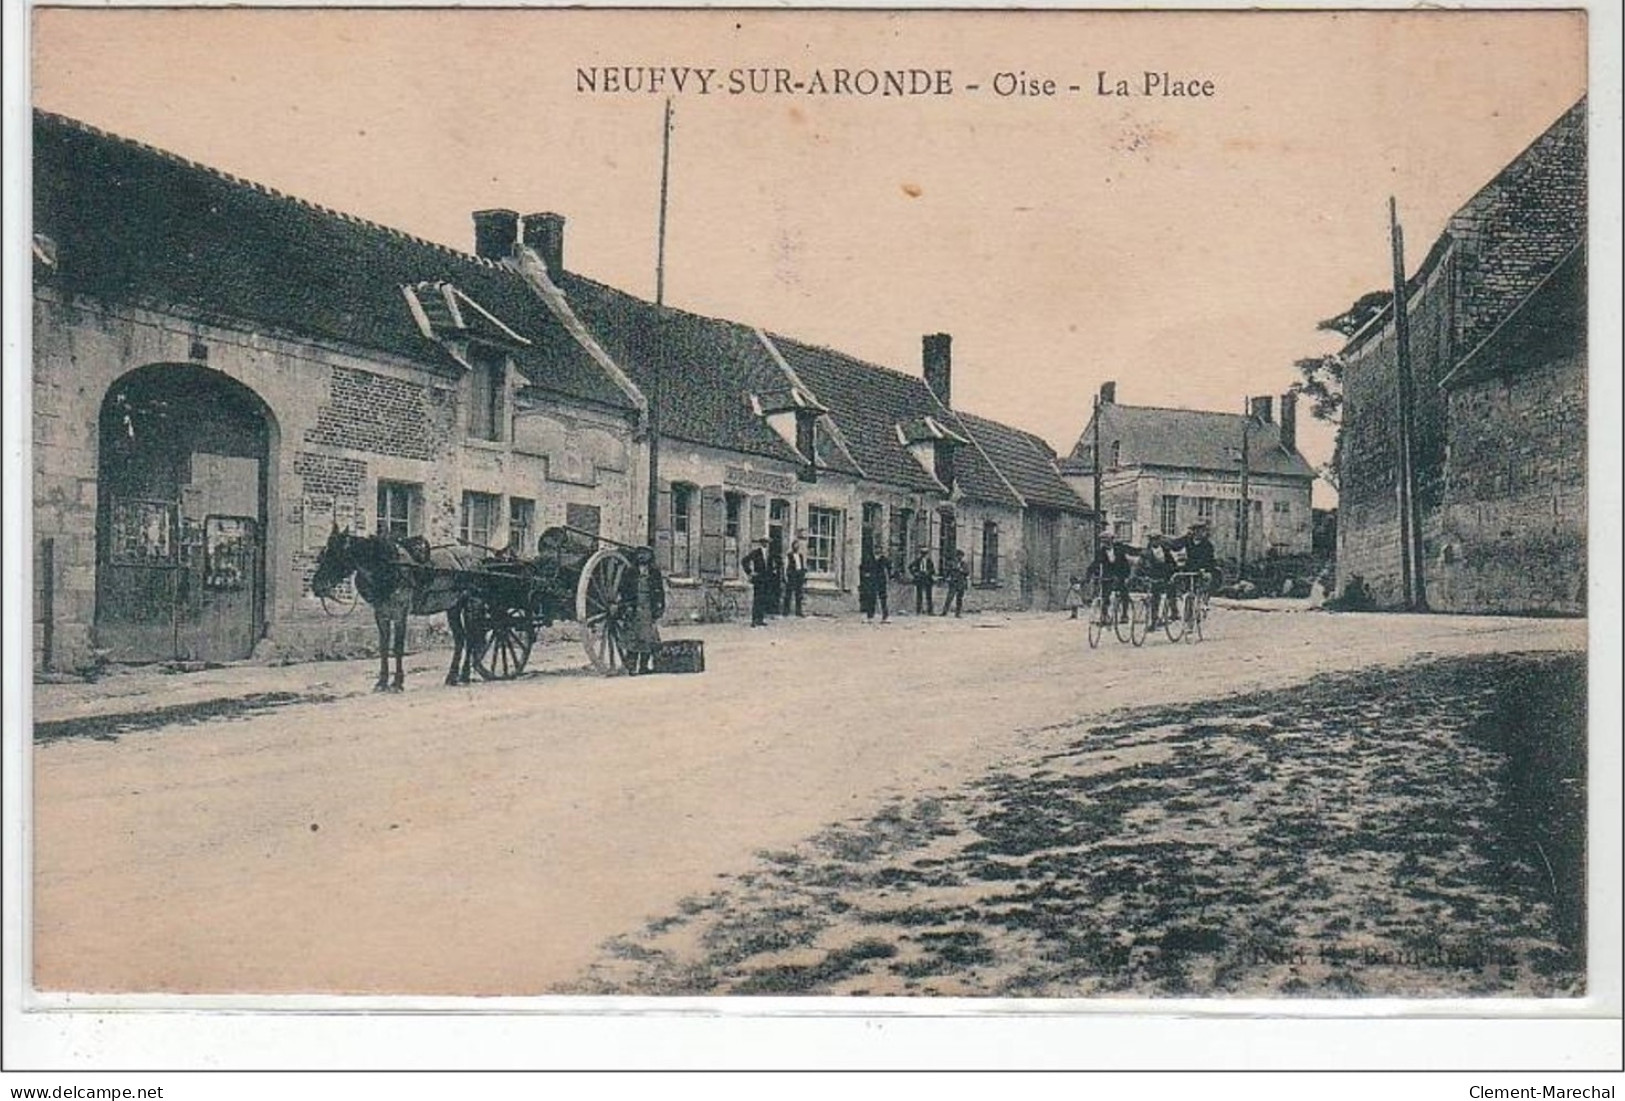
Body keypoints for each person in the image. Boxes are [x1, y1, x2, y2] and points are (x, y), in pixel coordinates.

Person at [619, 546, 665, 675]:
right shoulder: (630, 571)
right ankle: (632, 667)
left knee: (648, 638)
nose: (642, 556)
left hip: (648, 608)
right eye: (640, 553)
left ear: (650, 556)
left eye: (645, 554)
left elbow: (660, 591)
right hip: (634, 607)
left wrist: (660, 607)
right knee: (633, 639)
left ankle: (643, 667)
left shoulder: (655, 572)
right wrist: (626, 604)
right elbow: (624, 590)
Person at [1090, 531, 1138, 623]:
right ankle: (1104, 615)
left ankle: (1124, 614)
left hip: (1120, 574)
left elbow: (1125, 564)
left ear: (1112, 540)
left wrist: (1126, 576)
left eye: (1107, 540)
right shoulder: (1101, 551)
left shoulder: (1119, 549)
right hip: (1108, 575)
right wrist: (1088, 576)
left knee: (1124, 594)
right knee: (1105, 596)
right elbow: (1095, 564)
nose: (1105, 543)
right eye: (1103, 541)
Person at [1172, 521, 1220, 603]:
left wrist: (1205, 569)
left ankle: (1204, 600)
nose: (1199, 533)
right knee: (1183, 583)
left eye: (1202, 531)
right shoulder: (1188, 540)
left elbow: (1209, 559)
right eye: (1196, 531)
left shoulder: (1208, 545)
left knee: (1207, 581)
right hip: (1190, 567)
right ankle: (1187, 600)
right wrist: (1185, 536)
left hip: (1204, 567)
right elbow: (1175, 546)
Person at [1139, 534, 1179, 626]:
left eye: (1157, 539)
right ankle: (1154, 621)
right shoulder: (1146, 552)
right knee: (1155, 599)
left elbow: (1172, 563)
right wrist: (1143, 576)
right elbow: (1140, 565)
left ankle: (1174, 612)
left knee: (1171, 592)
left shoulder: (1166, 550)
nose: (1155, 541)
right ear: (1150, 540)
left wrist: (1174, 574)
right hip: (1154, 577)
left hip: (1166, 576)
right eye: (1153, 539)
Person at [742, 537, 772, 626]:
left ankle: (760, 619)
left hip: (766, 579)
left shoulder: (768, 554)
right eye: (764, 542)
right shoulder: (756, 552)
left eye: (767, 542)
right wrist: (750, 572)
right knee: (757, 599)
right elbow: (744, 560)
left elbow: (770, 566)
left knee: (763, 599)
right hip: (759, 579)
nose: (766, 544)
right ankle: (754, 620)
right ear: (761, 543)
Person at [859, 542, 892, 622]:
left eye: (879, 549)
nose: (877, 551)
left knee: (883, 598)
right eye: (876, 549)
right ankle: (870, 616)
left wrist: (890, 576)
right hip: (872, 581)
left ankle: (885, 616)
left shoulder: (884, 559)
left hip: (881, 580)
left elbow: (889, 567)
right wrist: (865, 575)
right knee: (871, 598)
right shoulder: (869, 558)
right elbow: (862, 567)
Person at [939, 547, 969, 617]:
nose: (959, 557)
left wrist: (962, 570)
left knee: (959, 599)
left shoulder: (964, 564)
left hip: (961, 583)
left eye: (961, 556)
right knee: (949, 598)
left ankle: (958, 613)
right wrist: (946, 578)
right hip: (953, 583)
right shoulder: (952, 563)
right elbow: (947, 571)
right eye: (958, 555)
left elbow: (967, 572)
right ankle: (944, 612)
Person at [782, 538, 808, 617]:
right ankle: (786, 611)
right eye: (795, 545)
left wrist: (803, 574)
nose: (796, 547)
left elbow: (802, 565)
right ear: (792, 546)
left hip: (799, 575)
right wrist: (785, 576)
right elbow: (786, 566)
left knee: (799, 594)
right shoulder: (789, 555)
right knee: (788, 594)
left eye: (798, 545)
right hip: (791, 575)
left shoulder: (800, 555)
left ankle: (798, 611)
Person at [908, 547, 936, 614]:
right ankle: (918, 610)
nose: (924, 555)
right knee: (919, 595)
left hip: (928, 579)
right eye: (923, 553)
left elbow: (933, 570)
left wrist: (928, 572)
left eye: (925, 553)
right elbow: (910, 567)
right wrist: (915, 573)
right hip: (920, 578)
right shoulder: (917, 561)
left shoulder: (929, 561)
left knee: (929, 596)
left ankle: (930, 611)